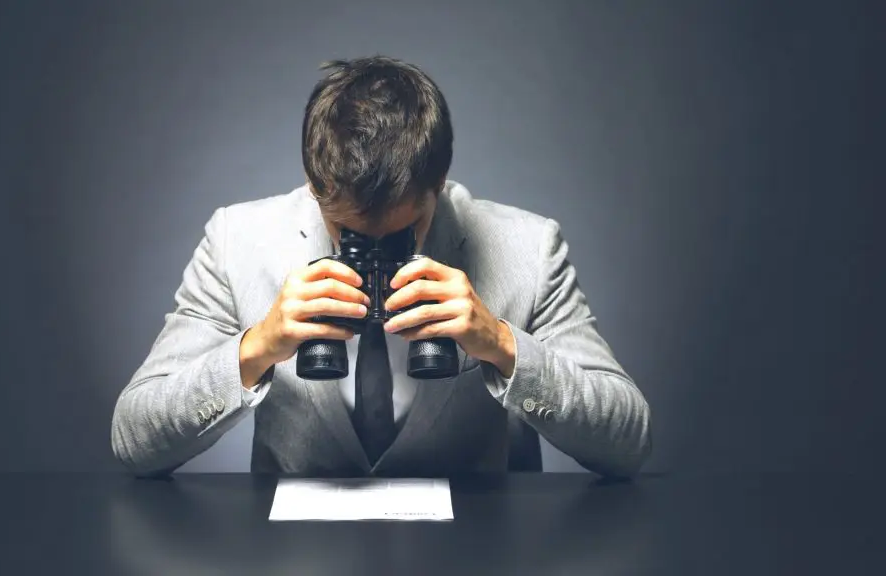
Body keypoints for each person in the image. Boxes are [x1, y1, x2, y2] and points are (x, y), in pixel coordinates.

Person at [110, 55, 652, 479]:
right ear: (313, 182)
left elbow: (628, 441)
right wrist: (256, 348)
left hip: (475, 554)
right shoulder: (239, 242)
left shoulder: (527, 249)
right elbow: (134, 439)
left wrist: (503, 345)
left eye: (397, 234)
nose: (371, 254)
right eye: (344, 233)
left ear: (438, 183)